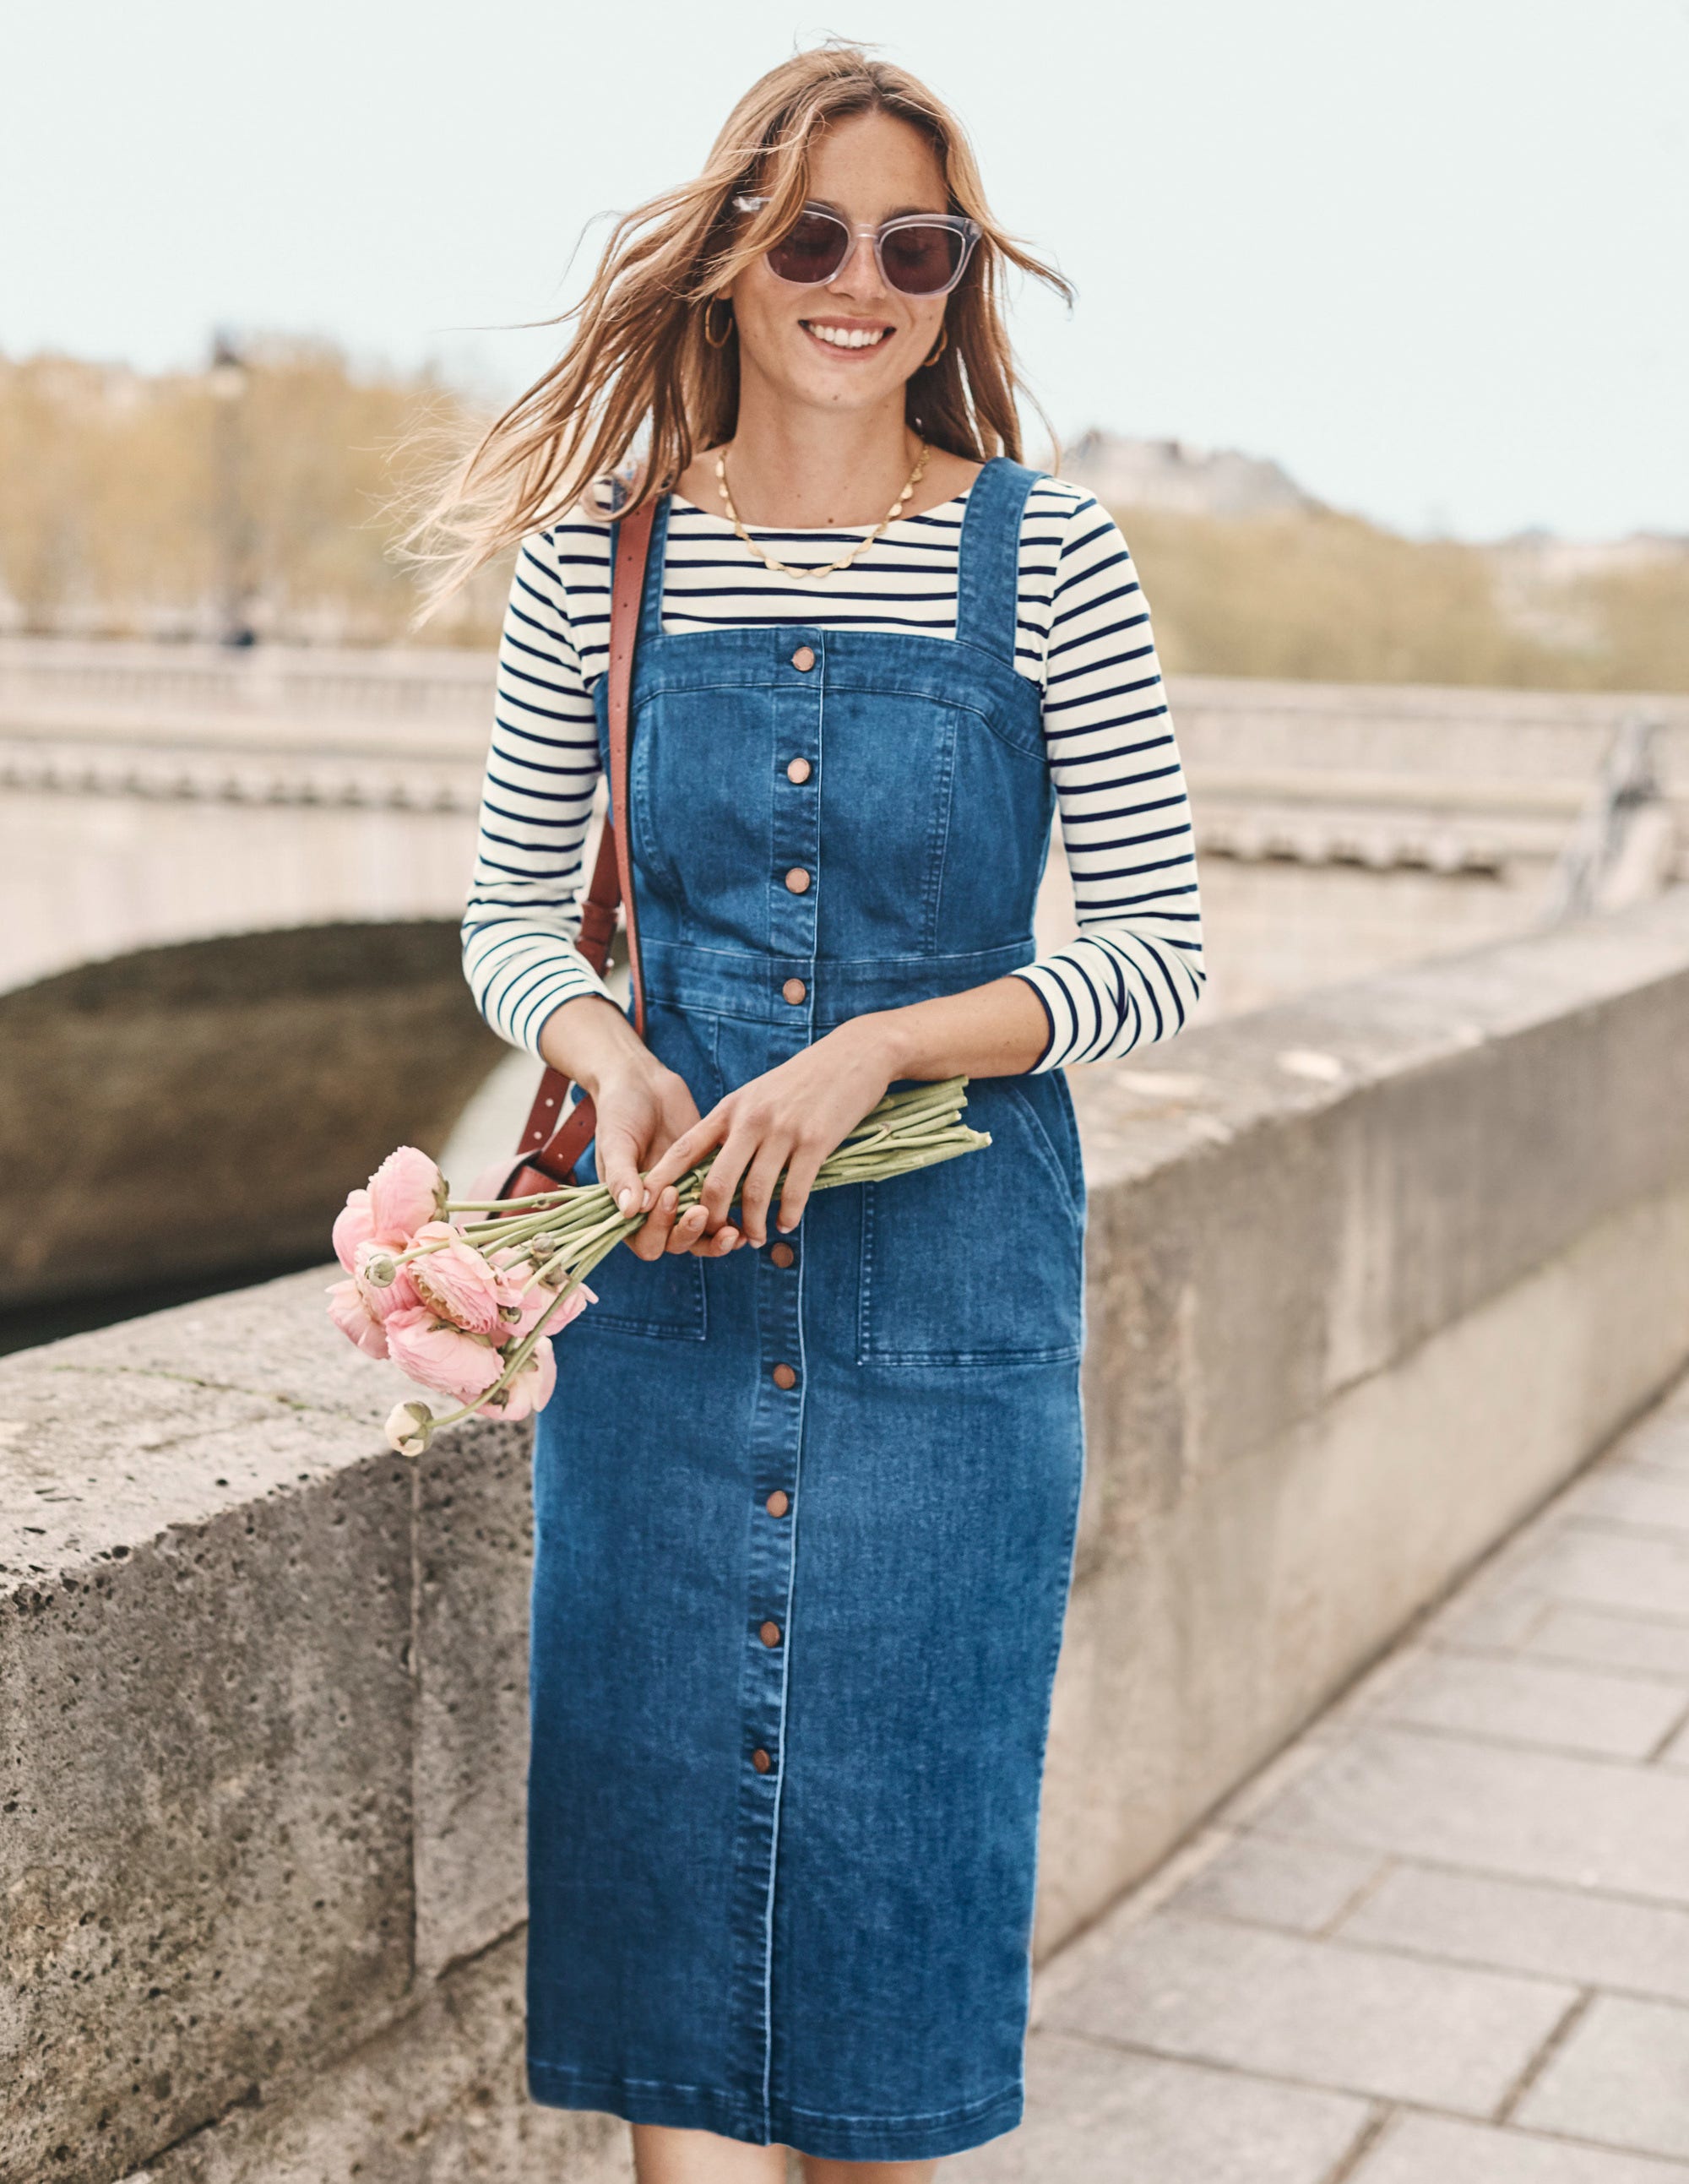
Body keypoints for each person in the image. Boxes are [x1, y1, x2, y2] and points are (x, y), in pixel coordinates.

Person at [410, 44, 1204, 2184]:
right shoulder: (602, 563)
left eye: (917, 245)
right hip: (662, 1315)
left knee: (893, 1936)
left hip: (949, 1323)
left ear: (956, 286)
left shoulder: (1058, 562)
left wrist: (883, 1046)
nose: (866, 280)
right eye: (819, 234)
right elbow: (505, 913)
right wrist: (600, 1049)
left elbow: (1154, 951)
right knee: (671, 1941)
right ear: (739, 256)